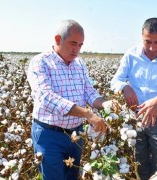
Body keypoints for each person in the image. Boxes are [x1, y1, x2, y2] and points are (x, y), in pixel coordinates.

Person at [27, 19, 109, 179]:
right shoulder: (40, 62)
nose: (76, 49)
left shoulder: (79, 64)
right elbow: (46, 97)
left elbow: (89, 92)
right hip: (49, 135)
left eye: (80, 45)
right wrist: (87, 114)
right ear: (58, 39)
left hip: (75, 136)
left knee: (72, 176)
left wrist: (105, 104)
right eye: (73, 43)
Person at [110, 17, 157, 179]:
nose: (152, 47)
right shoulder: (131, 56)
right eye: (147, 41)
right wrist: (125, 87)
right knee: (139, 161)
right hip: (134, 117)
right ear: (141, 36)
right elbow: (115, 81)